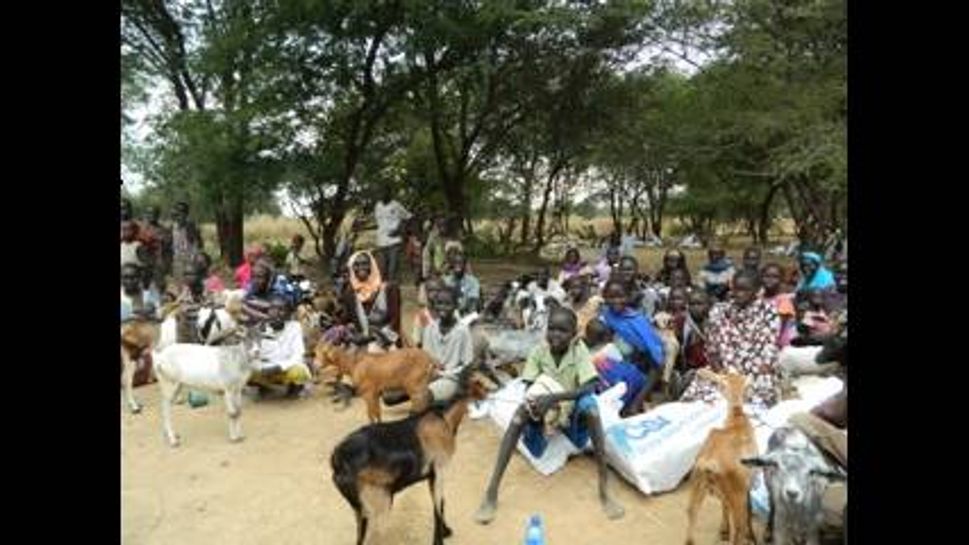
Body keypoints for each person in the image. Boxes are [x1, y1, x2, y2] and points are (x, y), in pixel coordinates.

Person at [473, 306, 625, 524]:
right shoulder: (538, 352)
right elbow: (528, 387)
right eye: (552, 329)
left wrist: (554, 399)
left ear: (574, 335)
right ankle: (491, 491)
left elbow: (589, 386)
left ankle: (604, 486)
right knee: (518, 416)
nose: (555, 335)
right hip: (545, 417)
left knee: (591, 408)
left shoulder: (578, 350)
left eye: (563, 331)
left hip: (571, 415)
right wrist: (539, 406)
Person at [680, 271, 781, 407]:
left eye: (744, 290)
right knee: (702, 400)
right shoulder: (720, 311)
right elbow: (712, 350)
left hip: (755, 374)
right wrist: (723, 376)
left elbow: (767, 351)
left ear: (757, 291)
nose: (738, 294)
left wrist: (745, 380)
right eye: (736, 289)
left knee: (754, 400)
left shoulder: (768, 312)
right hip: (724, 372)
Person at [599, 279, 666, 412]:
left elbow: (652, 346)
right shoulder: (605, 315)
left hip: (636, 362)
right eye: (612, 297)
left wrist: (652, 355)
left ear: (628, 297)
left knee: (656, 366)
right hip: (611, 362)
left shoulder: (637, 319)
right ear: (605, 298)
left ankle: (637, 402)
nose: (616, 301)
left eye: (620, 296)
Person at [249, 295, 313, 398]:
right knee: (244, 370)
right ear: (268, 311)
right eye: (273, 309)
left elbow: (298, 355)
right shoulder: (258, 329)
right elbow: (251, 355)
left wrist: (280, 367)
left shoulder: (294, 327)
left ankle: (294, 388)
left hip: (285, 368)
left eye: (281, 310)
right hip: (264, 368)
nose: (276, 313)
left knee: (299, 371)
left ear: (288, 314)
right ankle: (263, 387)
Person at [422, 287, 476, 402]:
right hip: (430, 375)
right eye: (439, 303)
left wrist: (460, 389)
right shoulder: (430, 328)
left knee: (423, 397)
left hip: (450, 378)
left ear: (456, 306)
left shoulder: (462, 331)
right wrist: (431, 372)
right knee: (390, 397)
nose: (443, 308)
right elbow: (426, 358)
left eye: (448, 304)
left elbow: (467, 364)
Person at [585, 318, 647, 417]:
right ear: (605, 336)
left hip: (610, 383)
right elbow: (621, 361)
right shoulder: (611, 347)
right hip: (627, 379)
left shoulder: (588, 354)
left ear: (588, 337)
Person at [341, 251, 402, 350]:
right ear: (352, 269)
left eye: (365, 264)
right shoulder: (350, 292)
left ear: (372, 266)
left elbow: (395, 322)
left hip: (386, 341)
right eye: (356, 265)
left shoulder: (389, 289)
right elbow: (347, 318)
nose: (361, 268)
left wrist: (372, 337)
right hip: (360, 341)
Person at [373, 186, 413, 283]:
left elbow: (409, 217)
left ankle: (393, 288)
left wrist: (400, 230)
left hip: (394, 241)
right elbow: (378, 222)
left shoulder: (396, 205)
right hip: (380, 241)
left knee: (393, 267)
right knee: (382, 267)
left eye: (385, 192)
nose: (383, 195)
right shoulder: (377, 205)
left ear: (389, 193)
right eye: (381, 193)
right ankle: (383, 289)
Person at [242, 259, 300, 324]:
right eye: (253, 276)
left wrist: (249, 307)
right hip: (268, 305)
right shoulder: (253, 283)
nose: (256, 280)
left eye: (260, 277)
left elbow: (275, 312)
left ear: (268, 277)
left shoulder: (280, 284)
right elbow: (245, 298)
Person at [760, 263, 796, 347]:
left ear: (781, 279)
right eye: (767, 276)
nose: (770, 280)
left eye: (775, 277)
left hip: (778, 345)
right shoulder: (758, 297)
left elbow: (777, 326)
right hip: (761, 341)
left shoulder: (784, 301)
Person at [443, 252, 481, 319]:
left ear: (465, 265)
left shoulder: (473, 282)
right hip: (449, 315)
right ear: (452, 265)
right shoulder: (445, 281)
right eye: (455, 263)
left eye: (460, 263)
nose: (458, 265)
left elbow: (473, 304)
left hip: (467, 315)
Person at [171, 201, 202, 282]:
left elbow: (199, 245)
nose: (180, 215)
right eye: (178, 212)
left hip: (191, 263)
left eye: (183, 212)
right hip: (177, 263)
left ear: (186, 214)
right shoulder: (172, 228)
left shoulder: (192, 227)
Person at [142, 206, 172, 289]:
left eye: (153, 213)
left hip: (158, 264)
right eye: (148, 213)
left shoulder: (164, 230)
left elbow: (168, 250)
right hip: (144, 264)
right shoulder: (141, 229)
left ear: (158, 215)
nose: (151, 215)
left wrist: (167, 266)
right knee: (145, 288)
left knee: (160, 288)